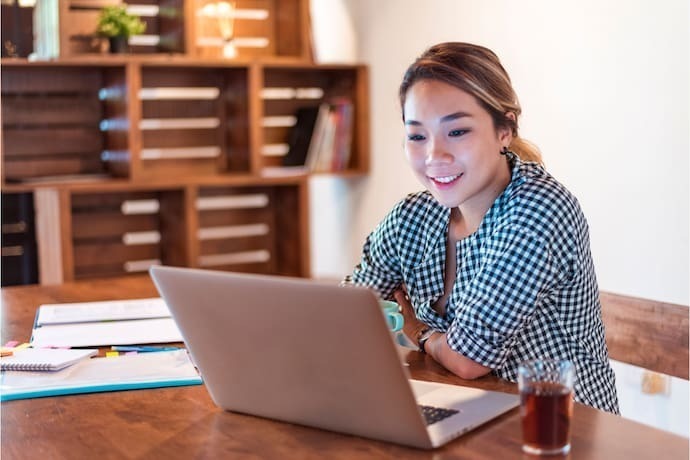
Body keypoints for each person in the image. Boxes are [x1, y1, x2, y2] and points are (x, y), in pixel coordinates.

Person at [344, 42, 619, 414]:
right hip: (469, 414)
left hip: (560, 429)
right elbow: (349, 312)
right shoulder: (414, 216)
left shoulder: (538, 209)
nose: (433, 156)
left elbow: (468, 359)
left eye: (457, 132)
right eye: (417, 135)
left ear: (504, 129)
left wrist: (416, 331)